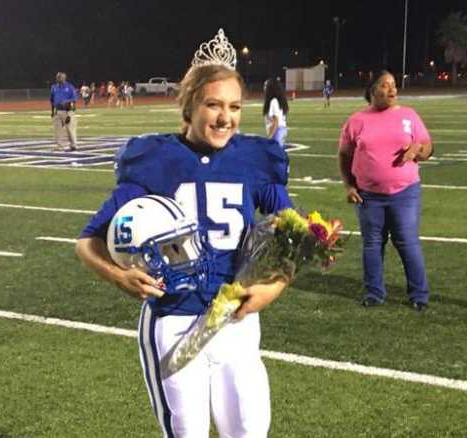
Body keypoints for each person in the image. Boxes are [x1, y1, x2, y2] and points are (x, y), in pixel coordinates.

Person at [75, 29, 292, 437]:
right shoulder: (156, 160)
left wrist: (273, 287)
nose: (225, 117)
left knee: (249, 431)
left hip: (237, 323)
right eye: (213, 104)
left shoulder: (251, 160)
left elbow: (295, 233)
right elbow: (87, 242)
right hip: (176, 321)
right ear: (189, 106)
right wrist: (120, 276)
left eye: (234, 106)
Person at [338, 70, 434, 311]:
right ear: (372, 91)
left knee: (407, 242)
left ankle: (419, 294)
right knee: (372, 243)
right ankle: (374, 292)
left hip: (405, 192)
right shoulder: (356, 121)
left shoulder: (409, 115)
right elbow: (344, 154)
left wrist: (417, 150)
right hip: (369, 195)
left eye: (394, 85)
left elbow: (428, 147)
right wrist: (349, 185)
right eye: (385, 85)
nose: (392, 89)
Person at [50, 72, 77, 151]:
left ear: (64, 78)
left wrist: (68, 103)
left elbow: (74, 98)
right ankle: (59, 146)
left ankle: (73, 145)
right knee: (57, 130)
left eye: (59, 77)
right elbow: (52, 100)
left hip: (67, 111)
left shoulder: (69, 87)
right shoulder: (54, 87)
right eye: (57, 77)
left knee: (70, 129)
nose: (58, 78)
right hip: (57, 111)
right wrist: (52, 111)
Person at [263, 77, 289, 146]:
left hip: (277, 131)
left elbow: (276, 121)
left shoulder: (273, 101)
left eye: (266, 86)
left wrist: (269, 137)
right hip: (281, 130)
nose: (264, 88)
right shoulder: (278, 101)